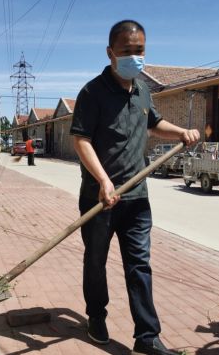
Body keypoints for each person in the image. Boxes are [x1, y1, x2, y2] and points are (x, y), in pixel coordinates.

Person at [70, 20, 200, 355]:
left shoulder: (142, 89)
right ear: (111, 53)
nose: (134, 57)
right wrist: (102, 180)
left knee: (139, 264)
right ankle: (96, 315)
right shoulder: (92, 92)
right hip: (100, 199)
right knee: (95, 261)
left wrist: (182, 133)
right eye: (127, 52)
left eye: (139, 50)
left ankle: (147, 337)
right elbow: (80, 140)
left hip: (137, 198)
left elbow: (154, 123)